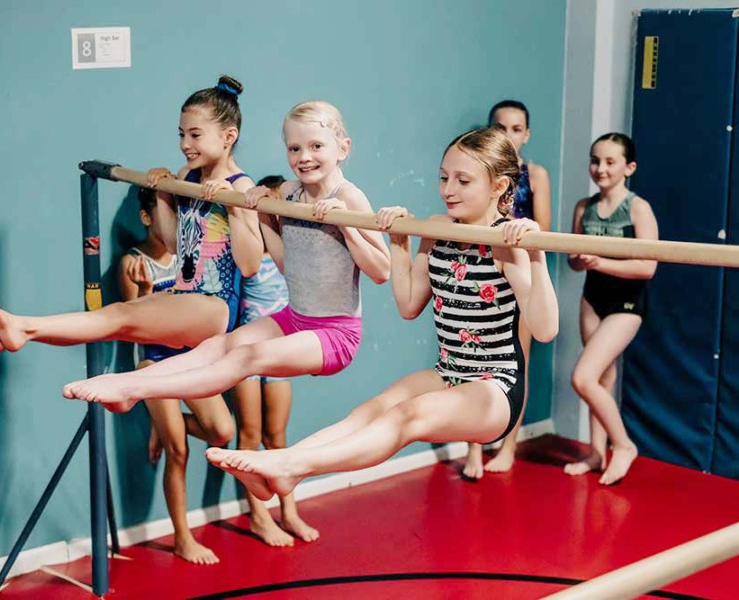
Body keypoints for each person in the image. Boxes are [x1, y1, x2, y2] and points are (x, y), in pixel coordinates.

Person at [204, 127, 558, 502]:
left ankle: (291, 466)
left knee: (406, 416)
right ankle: (286, 466)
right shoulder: (437, 228)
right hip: (449, 372)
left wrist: (535, 254)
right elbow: (408, 305)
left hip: (495, 387)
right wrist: (399, 243)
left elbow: (545, 329)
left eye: (463, 180)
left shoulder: (507, 243)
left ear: (499, 186)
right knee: (371, 410)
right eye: (443, 177)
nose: (448, 189)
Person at [61, 100, 391, 413]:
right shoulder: (291, 193)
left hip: (334, 332)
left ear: (343, 148)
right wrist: (262, 214)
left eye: (316, 146)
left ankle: (134, 390)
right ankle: (126, 383)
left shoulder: (348, 196)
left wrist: (346, 226)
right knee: (218, 347)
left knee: (244, 359)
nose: (304, 157)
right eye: (294, 148)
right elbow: (287, 265)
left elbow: (381, 271)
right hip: (295, 317)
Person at [0, 75, 262, 363]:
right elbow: (173, 245)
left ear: (228, 136)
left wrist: (233, 206)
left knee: (121, 318)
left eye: (195, 135)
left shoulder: (240, 186)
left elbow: (249, 265)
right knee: (117, 315)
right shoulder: (187, 176)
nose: (185, 144)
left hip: (215, 305)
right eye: (181, 134)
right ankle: (20, 330)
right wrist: (163, 193)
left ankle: (21, 327)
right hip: (185, 295)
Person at [118, 187, 232, 564]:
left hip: (187, 353)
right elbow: (132, 323)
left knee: (222, 431)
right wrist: (148, 291)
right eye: (164, 212)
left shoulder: (190, 257)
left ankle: (166, 423)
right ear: (148, 217)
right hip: (154, 359)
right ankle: (183, 538)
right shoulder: (132, 262)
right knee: (178, 451)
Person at [464, 99, 553, 478]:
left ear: (527, 134)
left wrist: (522, 230)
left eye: (517, 128)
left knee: (516, 363)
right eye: (501, 127)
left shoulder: (535, 174)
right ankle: (472, 448)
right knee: (470, 362)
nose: (509, 134)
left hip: (519, 275)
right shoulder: (478, 172)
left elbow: (543, 230)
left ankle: (508, 446)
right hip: (482, 274)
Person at [565, 132, 657, 485]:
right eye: (595, 160)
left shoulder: (637, 208)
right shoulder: (583, 207)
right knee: (602, 378)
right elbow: (574, 262)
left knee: (582, 377)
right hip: (593, 298)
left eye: (609, 162)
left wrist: (599, 261)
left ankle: (623, 445)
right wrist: (582, 260)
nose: (600, 168)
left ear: (628, 167)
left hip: (626, 303)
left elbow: (648, 267)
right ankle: (595, 451)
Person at [233, 175, 318, 547]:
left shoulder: (292, 256)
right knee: (250, 435)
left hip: (280, 353)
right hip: (248, 356)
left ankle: (290, 513)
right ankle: (258, 516)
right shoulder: (249, 253)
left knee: (278, 436)